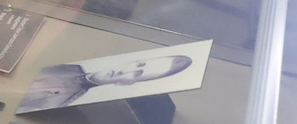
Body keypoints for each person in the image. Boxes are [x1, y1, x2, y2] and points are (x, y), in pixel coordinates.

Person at [18, 54, 193, 112]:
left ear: (129, 83)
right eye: (139, 65)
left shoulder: (61, 103)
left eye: (137, 74)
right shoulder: (64, 63)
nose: (125, 71)